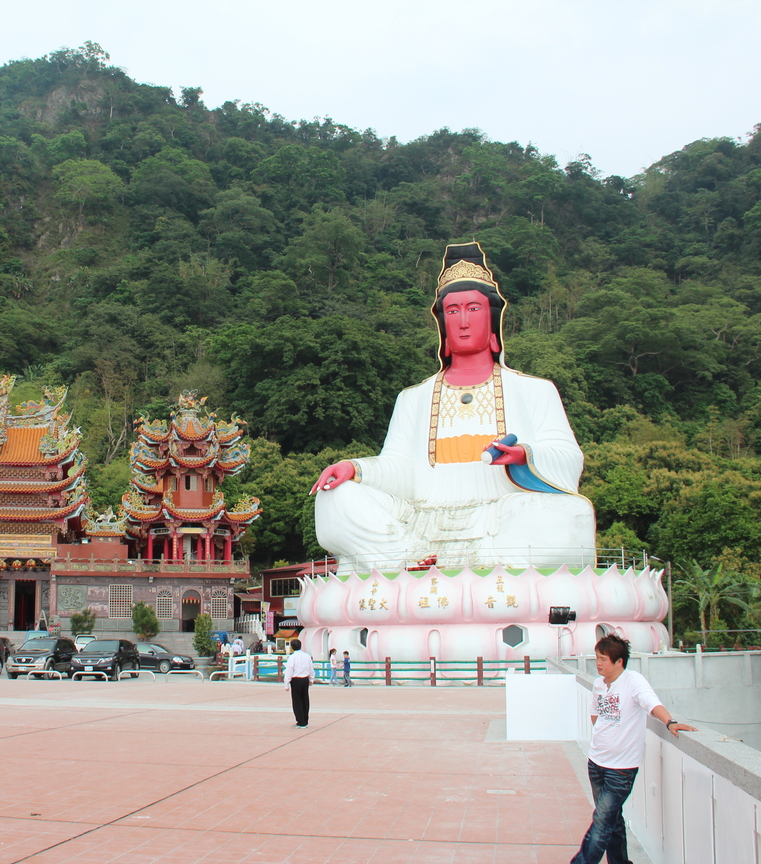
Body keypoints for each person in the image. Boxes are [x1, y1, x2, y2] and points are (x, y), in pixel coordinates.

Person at [311, 242, 596, 573]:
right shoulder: (414, 398)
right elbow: (399, 469)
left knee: (566, 513)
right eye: (453, 311)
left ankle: (441, 566)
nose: (462, 321)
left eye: (473, 309)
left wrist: (525, 456)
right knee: (333, 497)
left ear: (492, 320)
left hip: (501, 518)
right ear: (442, 324)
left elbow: (569, 459)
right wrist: (356, 468)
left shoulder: (535, 390)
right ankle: (409, 555)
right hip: (417, 523)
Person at [570, 634, 695, 864]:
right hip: (596, 763)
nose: (598, 663)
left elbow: (651, 703)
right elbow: (595, 713)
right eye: (597, 658)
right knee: (612, 821)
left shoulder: (633, 681)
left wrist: (670, 722)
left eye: (604, 659)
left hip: (621, 769)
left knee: (601, 822)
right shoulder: (599, 684)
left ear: (619, 662)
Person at [283, 638, 315, 727]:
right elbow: (311, 668)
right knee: (305, 700)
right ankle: (305, 720)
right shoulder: (307, 656)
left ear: (292, 647)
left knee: (297, 701)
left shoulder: (292, 657)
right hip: (305, 679)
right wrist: (311, 679)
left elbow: (289, 670)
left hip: (296, 680)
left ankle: (300, 721)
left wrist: (286, 683)